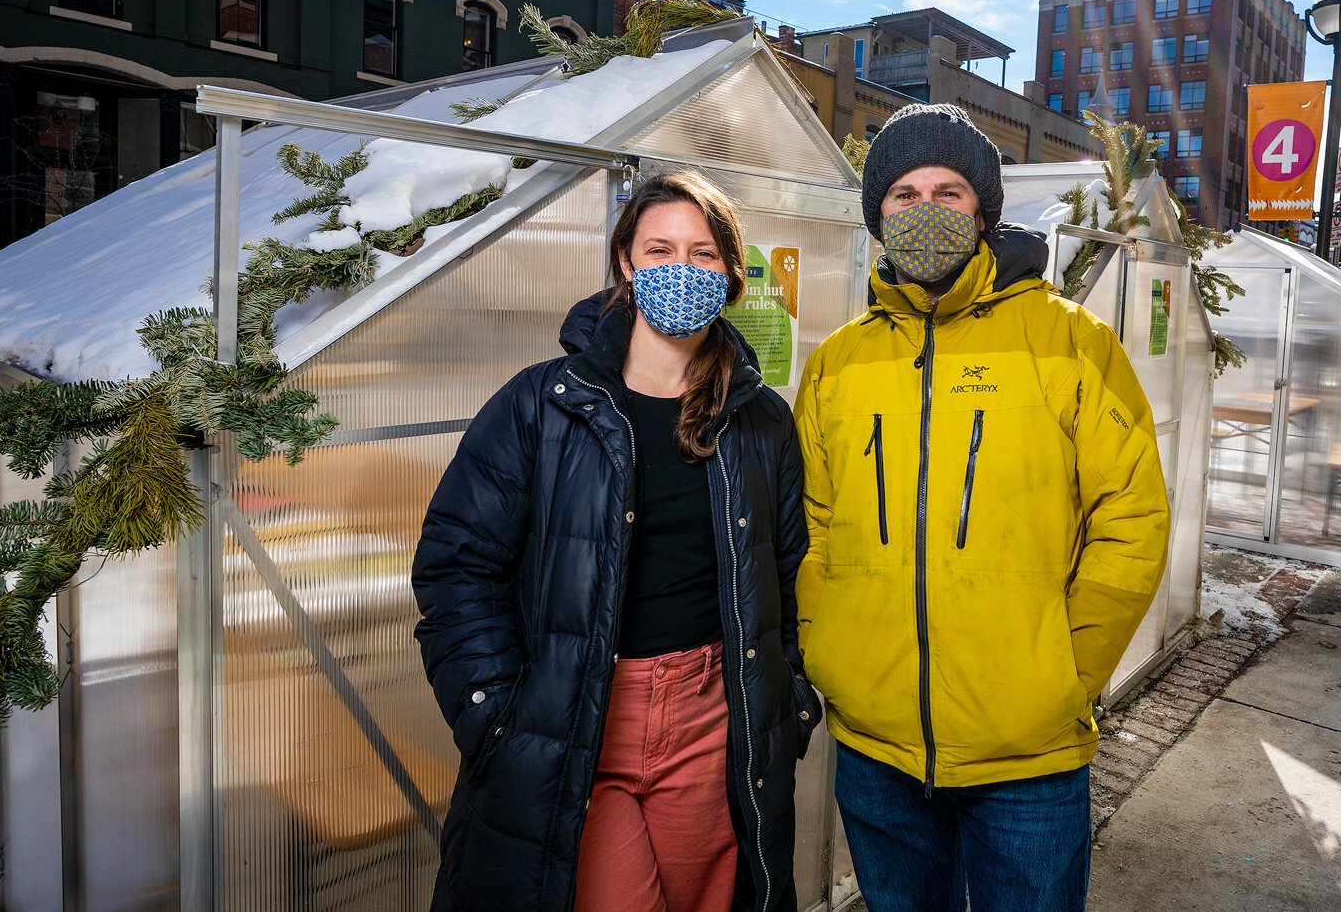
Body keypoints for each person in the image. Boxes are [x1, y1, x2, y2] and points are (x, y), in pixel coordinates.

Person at [794, 104, 1171, 912]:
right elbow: (813, 527)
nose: (925, 209)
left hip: (1029, 756)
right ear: (876, 214)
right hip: (875, 745)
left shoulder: (1071, 342)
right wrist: (829, 650)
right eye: (902, 194)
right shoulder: (837, 361)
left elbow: (1130, 520)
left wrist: (1065, 674)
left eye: (949, 190)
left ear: (983, 210)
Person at [414, 170, 820, 912]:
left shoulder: (761, 421)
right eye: (659, 249)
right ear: (626, 264)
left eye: (703, 253)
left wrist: (786, 700)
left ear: (732, 273)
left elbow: (791, 575)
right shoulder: (543, 403)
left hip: (712, 713)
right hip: (577, 712)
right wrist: (496, 712)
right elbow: (457, 566)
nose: (681, 268)